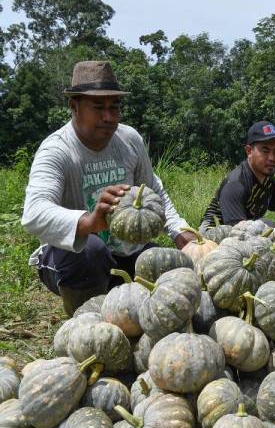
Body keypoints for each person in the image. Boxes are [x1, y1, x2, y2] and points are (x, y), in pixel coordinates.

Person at [21, 61, 196, 316]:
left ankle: (124, 303)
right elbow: (34, 213)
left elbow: (152, 188)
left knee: (170, 264)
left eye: (114, 107)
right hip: (71, 261)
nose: (109, 117)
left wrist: (178, 230)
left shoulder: (129, 140)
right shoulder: (57, 151)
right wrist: (89, 221)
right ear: (74, 106)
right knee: (91, 250)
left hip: (125, 256)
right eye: (98, 107)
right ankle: (85, 321)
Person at [200, 121, 275, 229]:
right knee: (268, 229)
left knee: (268, 225)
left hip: (245, 229)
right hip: (214, 235)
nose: (272, 158)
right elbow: (238, 233)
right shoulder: (236, 184)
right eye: (265, 151)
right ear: (249, 151)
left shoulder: (267, 180)